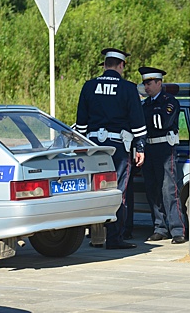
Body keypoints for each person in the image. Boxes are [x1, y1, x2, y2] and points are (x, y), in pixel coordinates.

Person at [75, 47, 147, 250]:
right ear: (121, 65)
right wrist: (140, 147)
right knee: (118, 191)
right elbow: (137, 123)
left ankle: (96, 236)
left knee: (96, 191)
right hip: (117, 148)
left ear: (105, 65)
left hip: (93, 147)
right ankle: (115, 238)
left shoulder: (89, 86)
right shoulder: (128, 88)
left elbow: (80, 123)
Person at [140, 66, 187, 244]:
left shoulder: (169, 101)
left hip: (165, 149)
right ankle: (159, 227)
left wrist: (147, 116)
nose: (147, 87)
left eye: (150, 83)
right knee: (152, 189)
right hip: (149, 149)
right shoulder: (146, 104)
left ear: (160, 83)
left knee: (169, 190)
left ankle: (177, 230)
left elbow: (161, 122)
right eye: (145, 83)